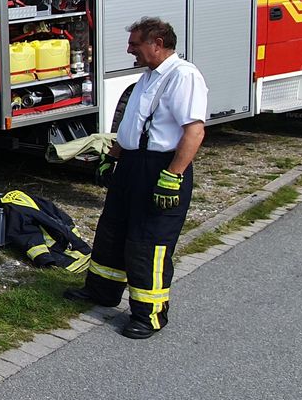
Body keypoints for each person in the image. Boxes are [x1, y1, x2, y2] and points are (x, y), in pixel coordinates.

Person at [63, 17, 208, 339]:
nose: (130, 50)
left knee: (148, 244)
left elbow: (194, 131)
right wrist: (111, 157)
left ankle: (149, 314)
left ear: (157, 43)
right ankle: (101, 292)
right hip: (131, 165)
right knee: (112, 231)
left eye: (135, 44)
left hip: (160, 168)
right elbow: (133, 125)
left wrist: (173, 176)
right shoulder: (148, 76)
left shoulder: (184, 77)